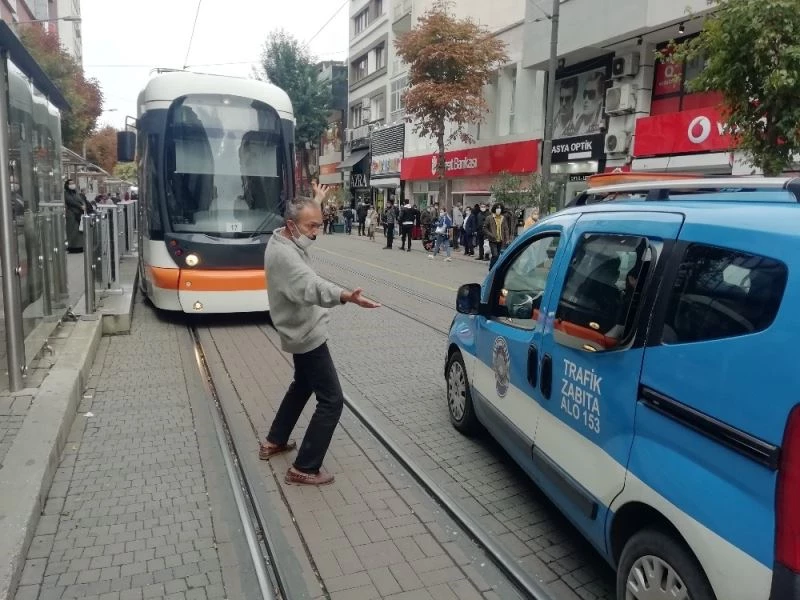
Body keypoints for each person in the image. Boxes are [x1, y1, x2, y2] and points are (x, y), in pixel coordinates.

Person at [259, 183, 380, 486]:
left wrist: (317, 200)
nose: (315, 232)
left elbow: (304, 218)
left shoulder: (282, 238)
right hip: (306, 333)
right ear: (291, 226)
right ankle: (305, 467)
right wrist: (345, 296)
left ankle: (275, 440)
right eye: (311, 227)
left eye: (319, 225)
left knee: (302, 385)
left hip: (297, 328)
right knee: (332, 400)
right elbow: (312, 286)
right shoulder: (285, 257)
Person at [483, 202, 513, 269]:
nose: (498, 209)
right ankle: (492, 269)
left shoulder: (503, 218)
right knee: (495, 255)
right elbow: (484, 228)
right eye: (497, 208)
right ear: (494, 209)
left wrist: (507, 239)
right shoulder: (489, 218)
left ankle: (493, 268)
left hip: (500, 240)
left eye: (500, 208)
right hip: (492, 240)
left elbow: (506, 229)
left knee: (497, 255)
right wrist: (490, 234)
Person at [64, 179, 86, 253]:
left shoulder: (76, 192)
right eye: (70, 183)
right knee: (72, 231)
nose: (72, 184)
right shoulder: (66, 193)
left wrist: (83, 205)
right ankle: (72, 247)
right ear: (67, 185)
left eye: (73, 183)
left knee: (79, 231)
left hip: (79, 214)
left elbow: (80, 199)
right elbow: (70, 201)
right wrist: (80, 206)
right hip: (71, 214)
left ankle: (79, 246)